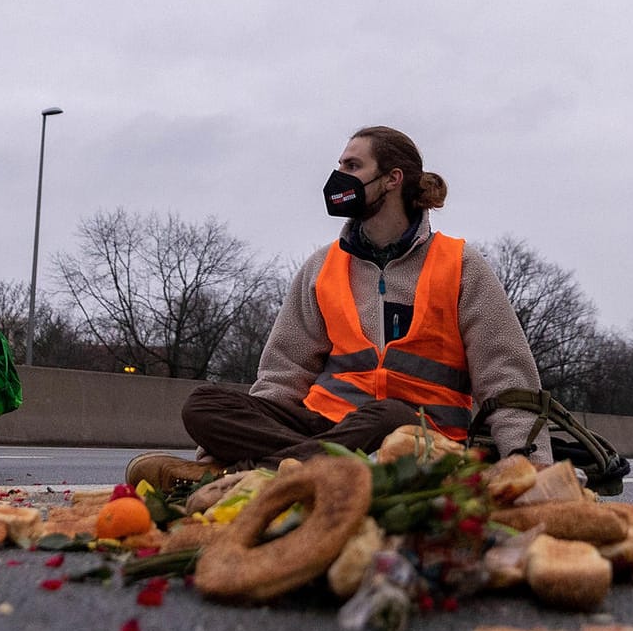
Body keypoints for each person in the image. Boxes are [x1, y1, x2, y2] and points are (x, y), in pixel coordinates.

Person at [126, 126, 555, 490]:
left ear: (392, 179)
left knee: (388, 416)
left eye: (352, 166)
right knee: (203, 405)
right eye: (341, 165)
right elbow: (282, 373)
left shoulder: (461, 265)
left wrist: (528, 464)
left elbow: (507, 376)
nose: (338, 177)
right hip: (325, 427)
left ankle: (258, 477)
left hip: (417, 437)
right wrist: (220, 442)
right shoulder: (322, 266)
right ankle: (284, 468)